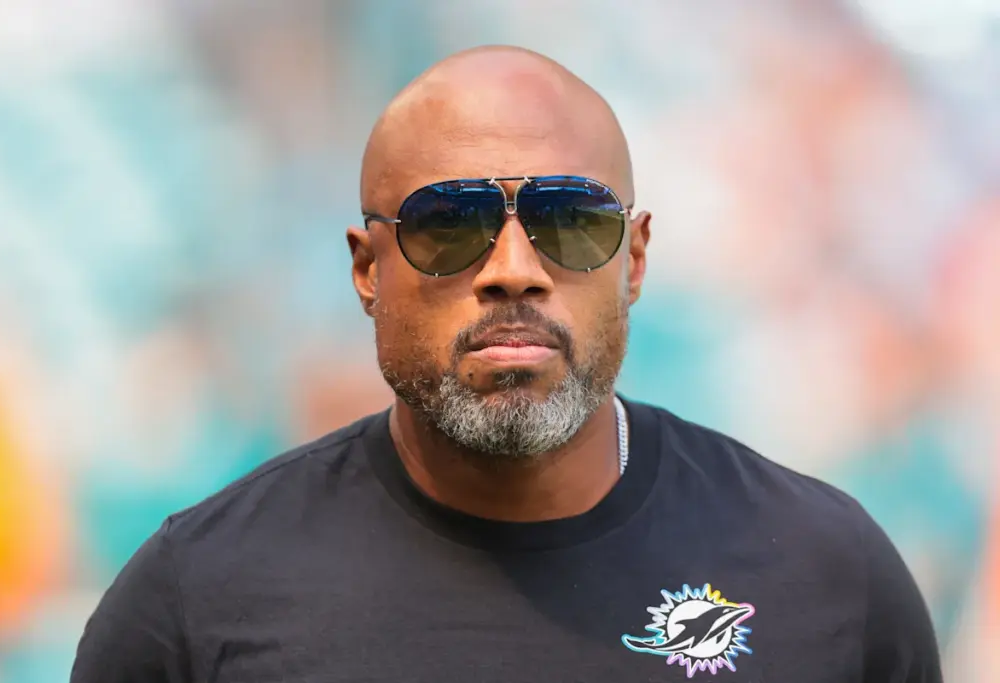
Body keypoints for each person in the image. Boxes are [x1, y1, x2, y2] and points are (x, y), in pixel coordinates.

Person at [72, 46, 943, 682]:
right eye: (450, 223)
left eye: (571, 219)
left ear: (635, 260)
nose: (514, 269)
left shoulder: (826, 571)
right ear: (368, 270)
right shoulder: (198, 598)